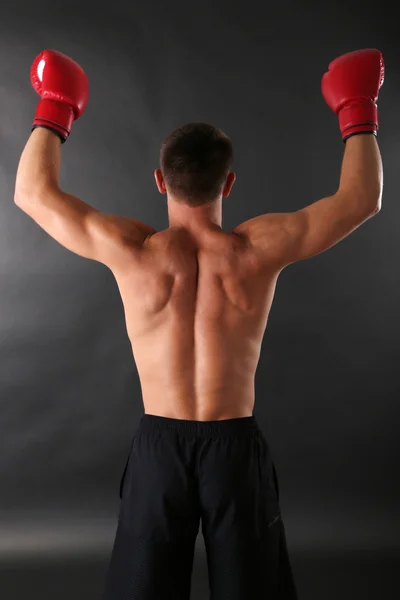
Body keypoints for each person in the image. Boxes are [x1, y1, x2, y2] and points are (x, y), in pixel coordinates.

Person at [14, 48, 384, 599]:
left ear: (160, 180)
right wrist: (359, 112)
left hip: (159, 447)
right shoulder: (257, 249)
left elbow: (31, 194)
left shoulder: (132, 250)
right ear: (228, 183)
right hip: (234, 449)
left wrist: (53, 112)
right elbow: (362, 199)